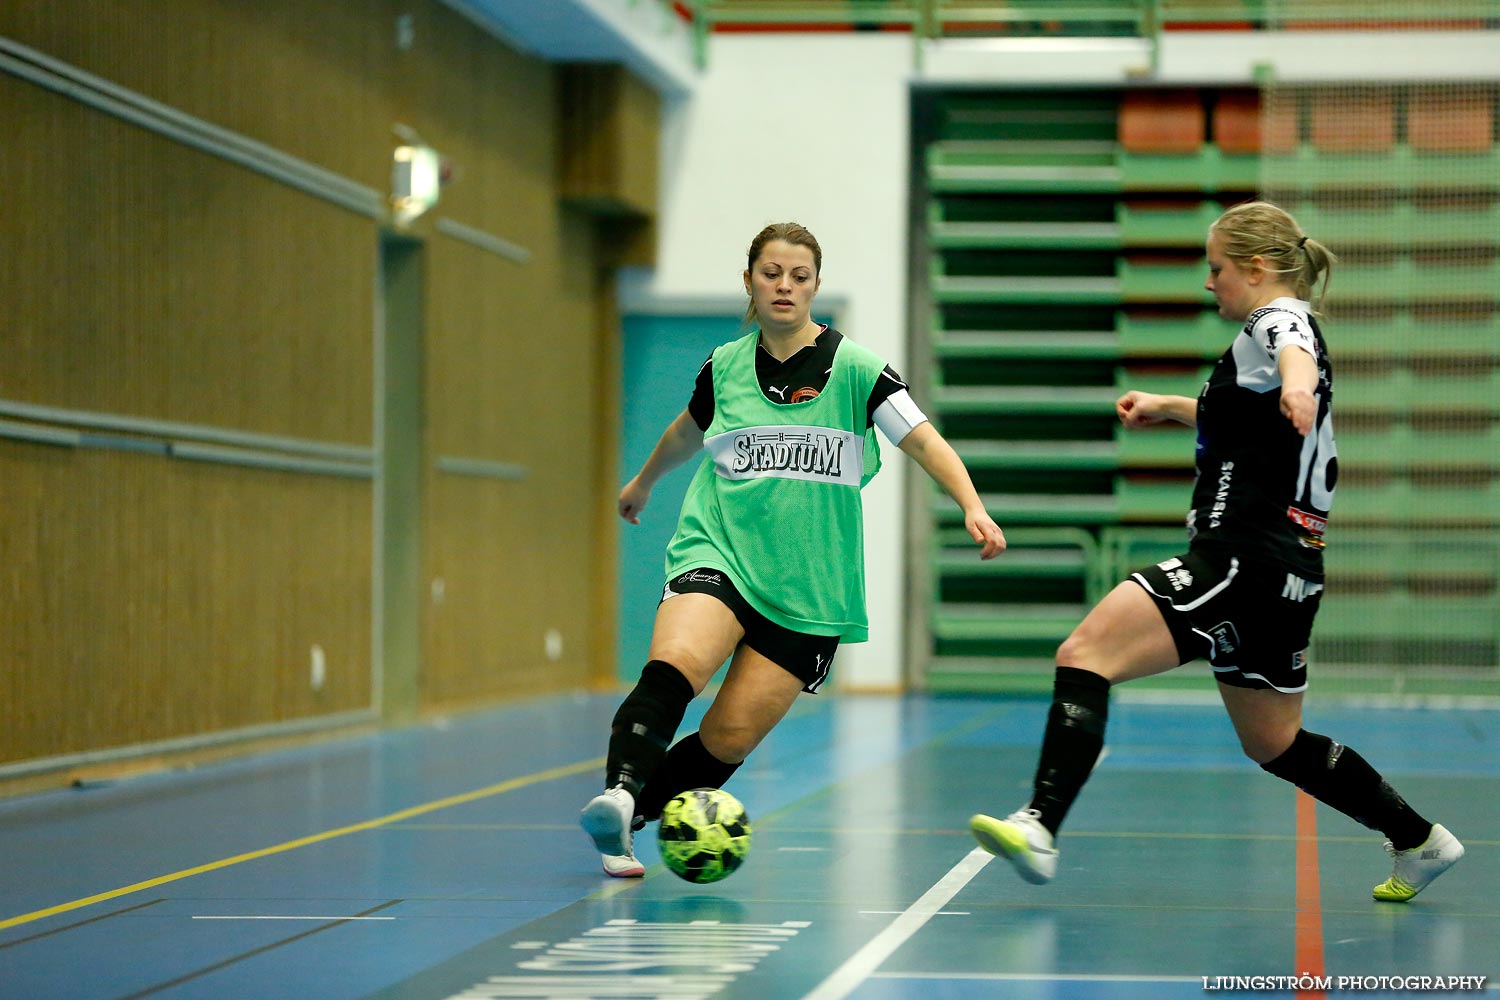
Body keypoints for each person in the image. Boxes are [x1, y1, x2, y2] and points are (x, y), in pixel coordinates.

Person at [969, 201, 1464, 902]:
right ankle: (1421, 840)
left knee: (1086, 654)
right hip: (1293, 573)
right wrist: (1171, 407)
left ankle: (1042, 826)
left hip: (1238, 558)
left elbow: (1291, 348)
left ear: (1257, 270)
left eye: (1218, 269)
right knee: (1275, 742)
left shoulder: (1275, 320)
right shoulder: (1265, 345)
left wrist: (1297, 385)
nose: (1211, 284)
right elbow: (1249, 414)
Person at [581, 221, 1007, 876]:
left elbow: (922, 439)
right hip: (718, 548)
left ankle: (635, 815)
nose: (784, 286)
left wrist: (972, 505)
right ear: (750, 280)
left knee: (729, 736)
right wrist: (642, 483)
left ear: (815, 285)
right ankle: (618, 793)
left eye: (799, 275)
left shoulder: (859, 372)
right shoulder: (723, 367)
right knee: (678, 662)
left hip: (810, 585)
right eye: (771, 273)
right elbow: (686, 433)